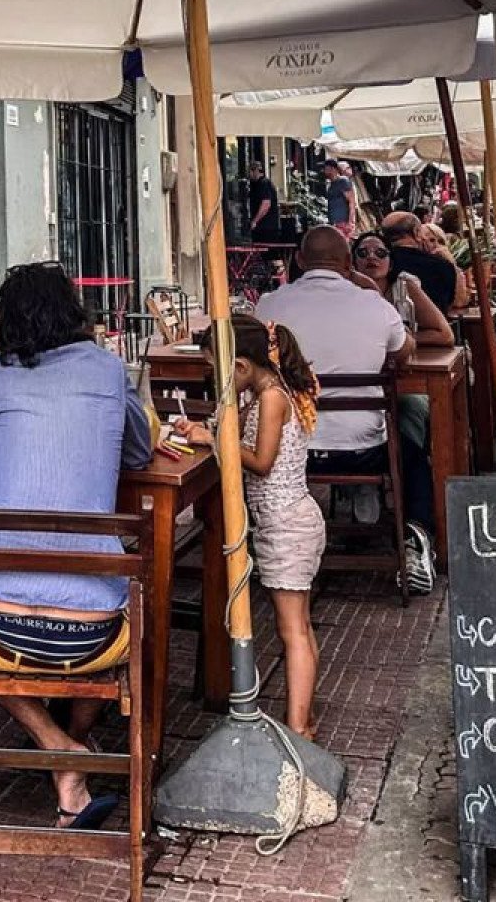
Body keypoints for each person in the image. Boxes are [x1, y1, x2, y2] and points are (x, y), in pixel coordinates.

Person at [0, 263, 154, 830]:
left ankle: (56, 745)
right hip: (95, 630)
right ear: (73, 312)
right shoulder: (108, 371)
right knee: (128, 591)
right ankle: (73, 748)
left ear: (3, 320)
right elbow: (139, 453)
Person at [255, 226, 435, 594]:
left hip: (290, 453)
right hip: (362, 452)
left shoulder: (269, 305)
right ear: (348, 264)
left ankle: (257, 543)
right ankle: (415, 542)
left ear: (300, 260)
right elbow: (405, 352)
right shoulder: (374, 305)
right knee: (414, 456)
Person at [172, 316, 325, 738]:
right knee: (299, 625)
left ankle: (297, 728)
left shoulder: (272, 397)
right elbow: (234, 431)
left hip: (286, 523)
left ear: (241, 366)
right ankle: (304, 720)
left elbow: (261, 460)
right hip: (284, 522)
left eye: (215, 369)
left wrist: (215, 441)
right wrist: (207, 430)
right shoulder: (260, 394)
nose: (211, 377)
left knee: (291, 629)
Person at [353, 231, 454, 347]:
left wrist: (398, 340)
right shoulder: (346, 291)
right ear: (353, 263)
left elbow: (445, 335)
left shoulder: (404, 286)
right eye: (363, 253)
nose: (371, 257)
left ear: (390, 264)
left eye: (380, 253)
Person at [381, 210, 464, 316]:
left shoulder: (380, 266)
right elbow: (457, 302)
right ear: (416, 232)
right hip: (433, 328)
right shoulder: (441, 265)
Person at [247, 162, 281, 244]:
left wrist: (255, 221)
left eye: (249, 172)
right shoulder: (257, 185)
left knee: (266, 253)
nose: (249, 175)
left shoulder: (264, 183)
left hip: (266, 228)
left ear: (255, 171)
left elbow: (266, 204)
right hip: (262, 227)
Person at [322, 159, 356, 235]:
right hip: (333, 223)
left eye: (326, 169)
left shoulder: (343, 181)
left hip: (343, 223)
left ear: (333, 169)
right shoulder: (331, 185)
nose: (324, 172)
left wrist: (350, 222)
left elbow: (352, 202)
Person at [438, 202, 473, 270]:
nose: (463, 221)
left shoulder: (450, 236)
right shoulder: (450, 238)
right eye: (461, 218)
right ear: (455, 220)